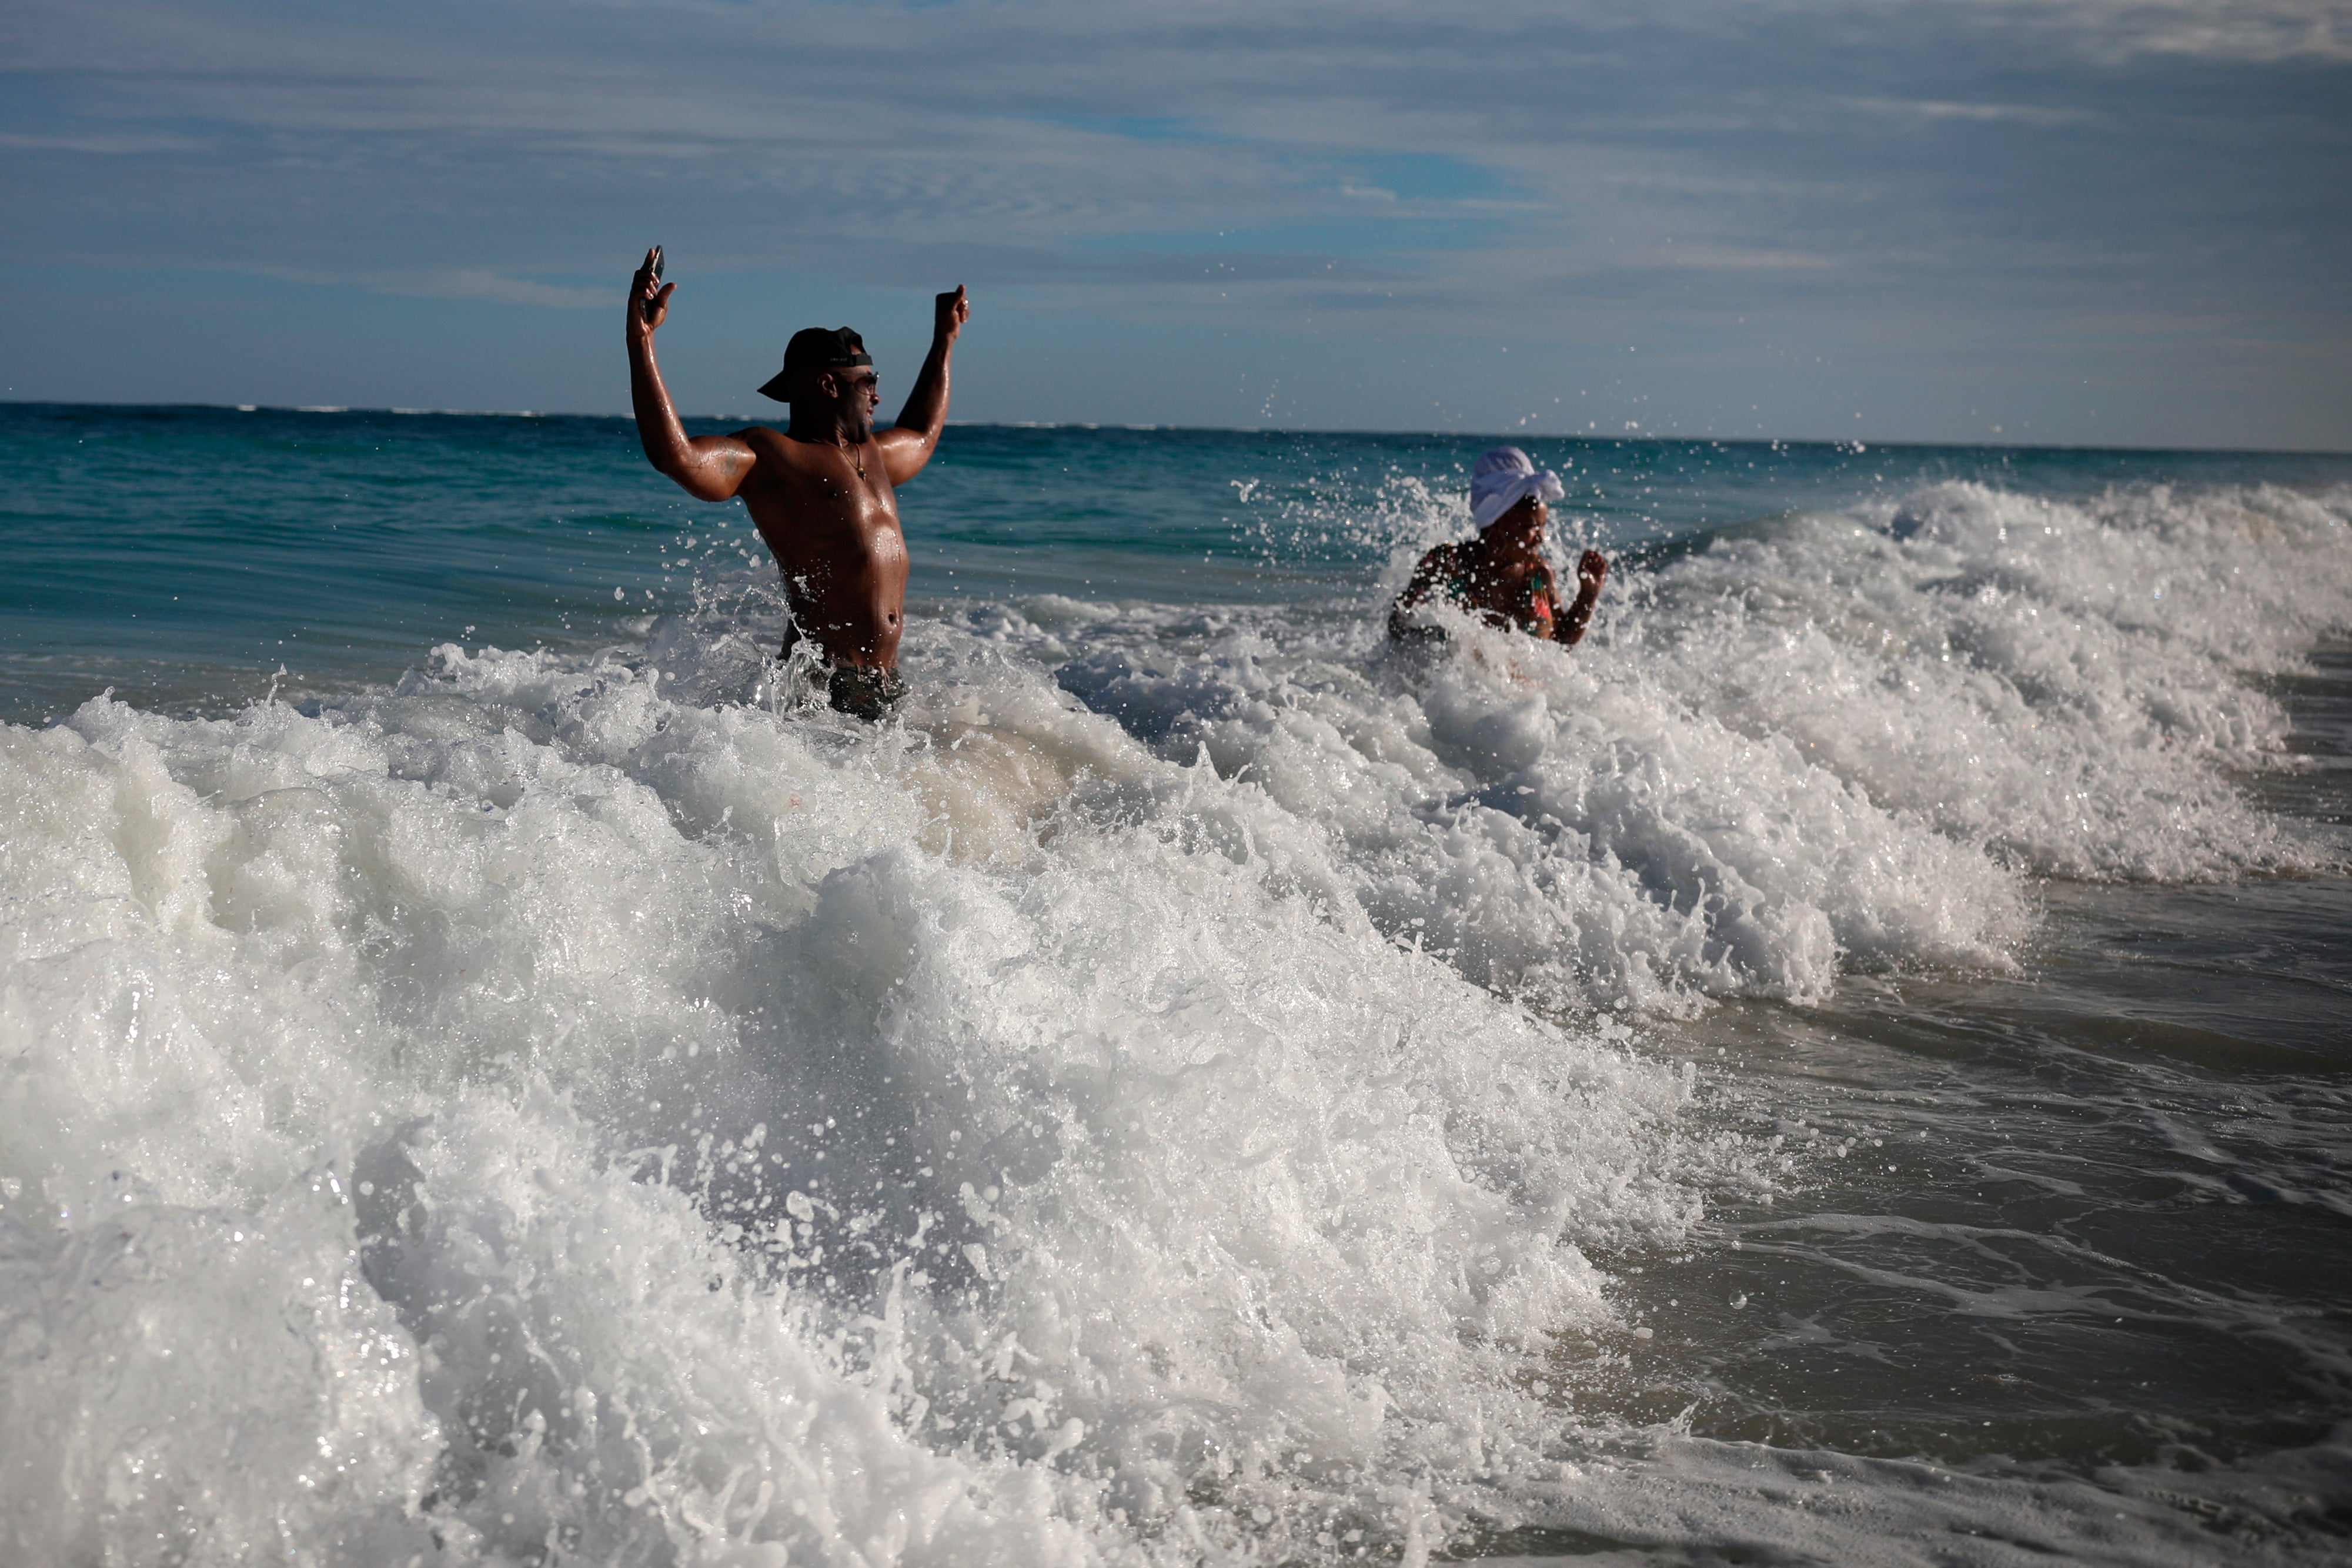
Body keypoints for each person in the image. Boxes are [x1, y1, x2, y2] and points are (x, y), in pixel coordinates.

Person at [626, 247, 970, 720]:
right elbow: (677, 456)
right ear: (828, 386)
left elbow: (923, 435)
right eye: (866, 382)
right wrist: (641, 341)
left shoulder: (873, 455)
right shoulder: (772, 458)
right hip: (826, 688)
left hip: (884, 680)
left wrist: (944, 340)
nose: (877, 394)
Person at [1389, 446, 1608, 646]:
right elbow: (1398, 629)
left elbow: (1560, 646)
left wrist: (1588, 594)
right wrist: (1431, 636)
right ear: (1496, 524)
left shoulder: (1539, 575)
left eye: (1543, 526)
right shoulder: (1446, 565)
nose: (1541, 538)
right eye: (1532, 527)